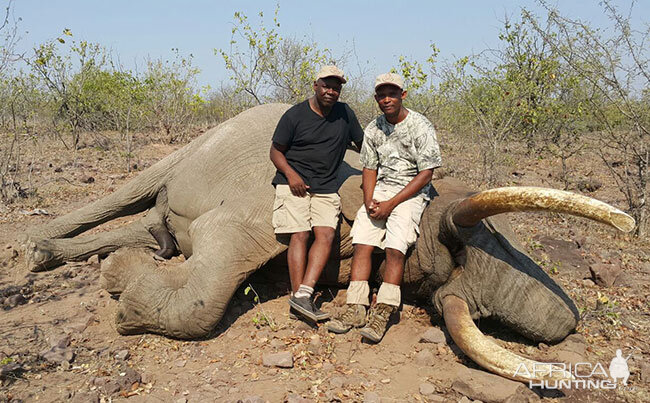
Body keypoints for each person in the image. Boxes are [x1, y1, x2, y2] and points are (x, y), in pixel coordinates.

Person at [327, 73, 442, 342]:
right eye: (381, 94)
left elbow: (426, 173)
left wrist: (392, 203)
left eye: (392, 93)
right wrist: (370, 201)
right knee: (362, 241)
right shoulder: (374, 128)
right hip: (382, 188)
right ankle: (356, 306)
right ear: (376, 97)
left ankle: (384, 311)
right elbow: (369, 167)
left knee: (396, 245)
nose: (386, 99)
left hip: (412, 191)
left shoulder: (420, 126)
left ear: (403, 95)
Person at [270, 65, 364, 322]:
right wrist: (291, 175)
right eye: (327, 85)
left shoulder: (345, 114)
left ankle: (304, 294)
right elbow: (275, 152)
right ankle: (298, 296)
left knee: (325, 233)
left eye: (336, 87)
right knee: (299, 234)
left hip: (326, 185)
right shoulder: (295, 115)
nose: (331, 91)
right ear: (315, 85)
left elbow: (363, 144)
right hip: (294, 183)